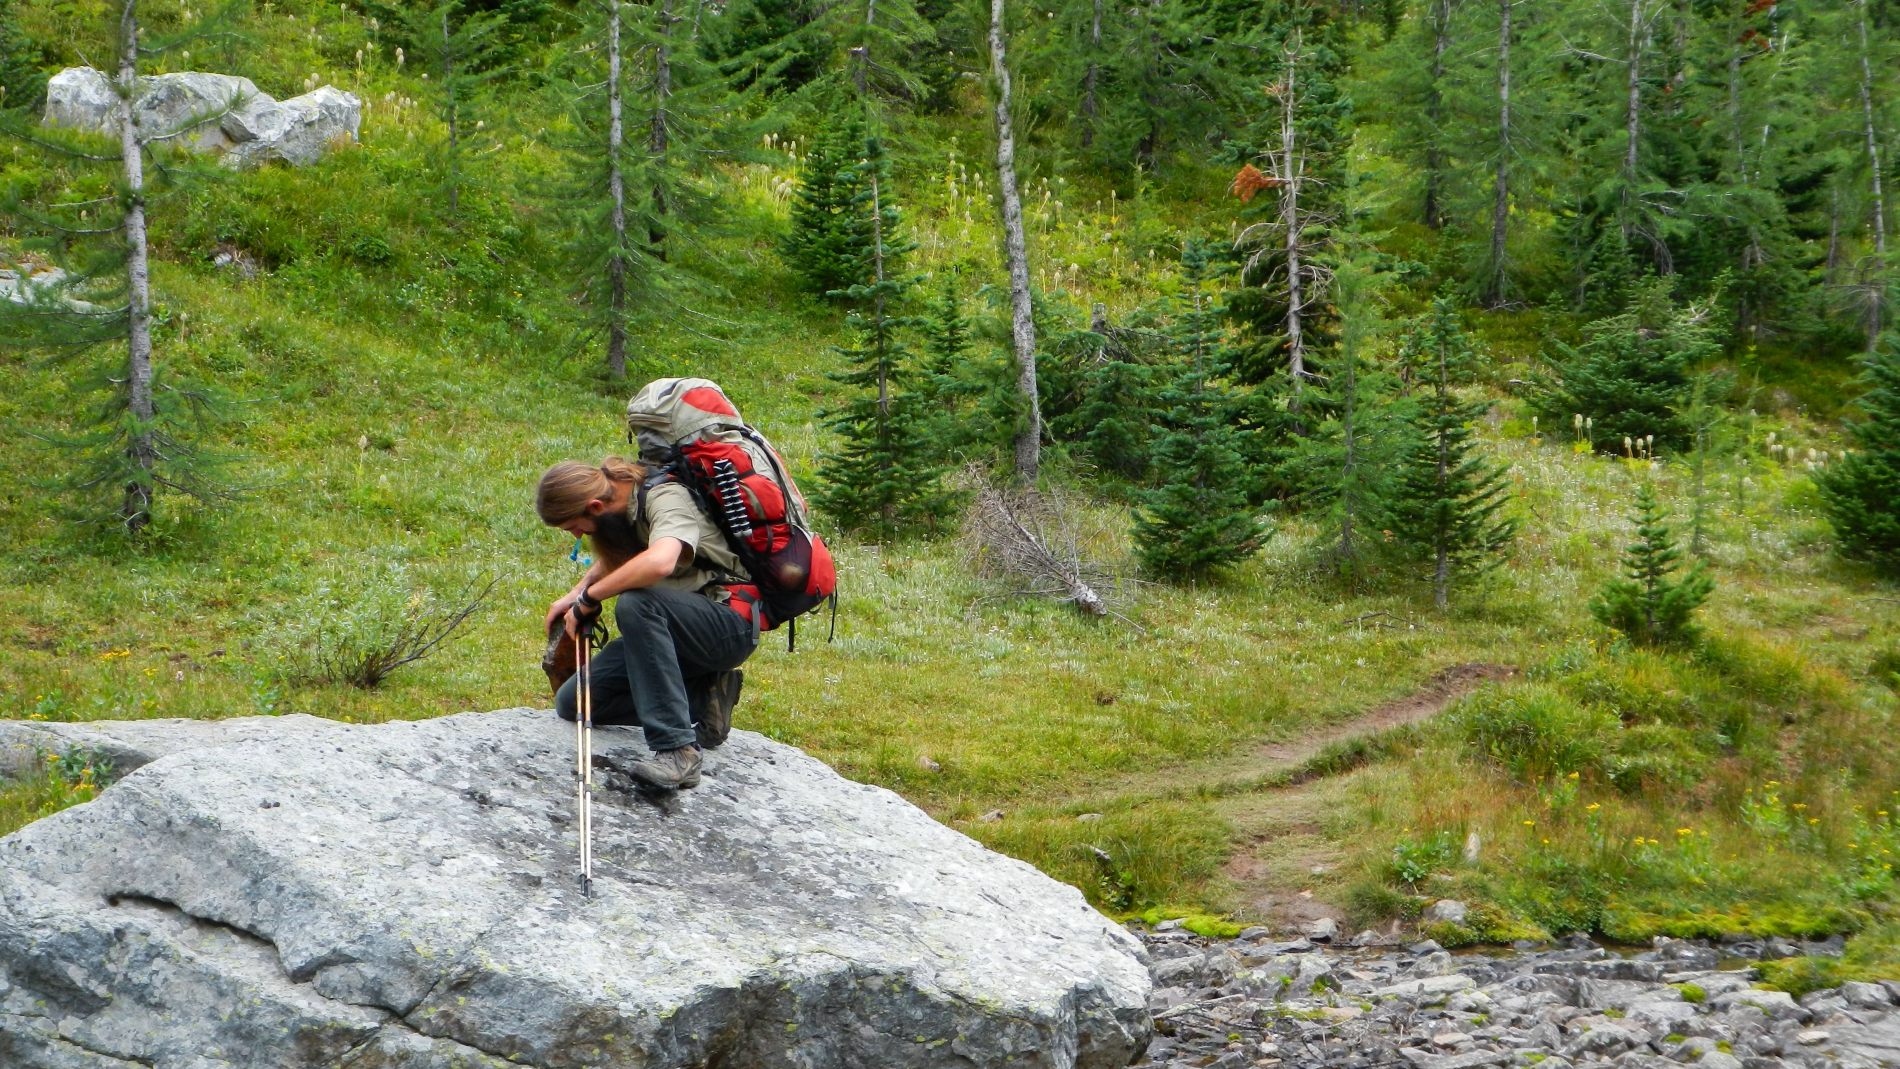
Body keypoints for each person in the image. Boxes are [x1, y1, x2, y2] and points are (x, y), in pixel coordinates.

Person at [535, 456, 754, 790]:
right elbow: (626, 552)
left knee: (637, 603)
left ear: (594, 507)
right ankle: (705, 696)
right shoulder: (620, 502)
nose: (578, 535)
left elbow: (659, 562)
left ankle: (677, 750)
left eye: (574, 528)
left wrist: (591, 598)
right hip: (673, 629)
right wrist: (576, 594)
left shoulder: (666, 496)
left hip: (728, 624)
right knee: (574, 701)